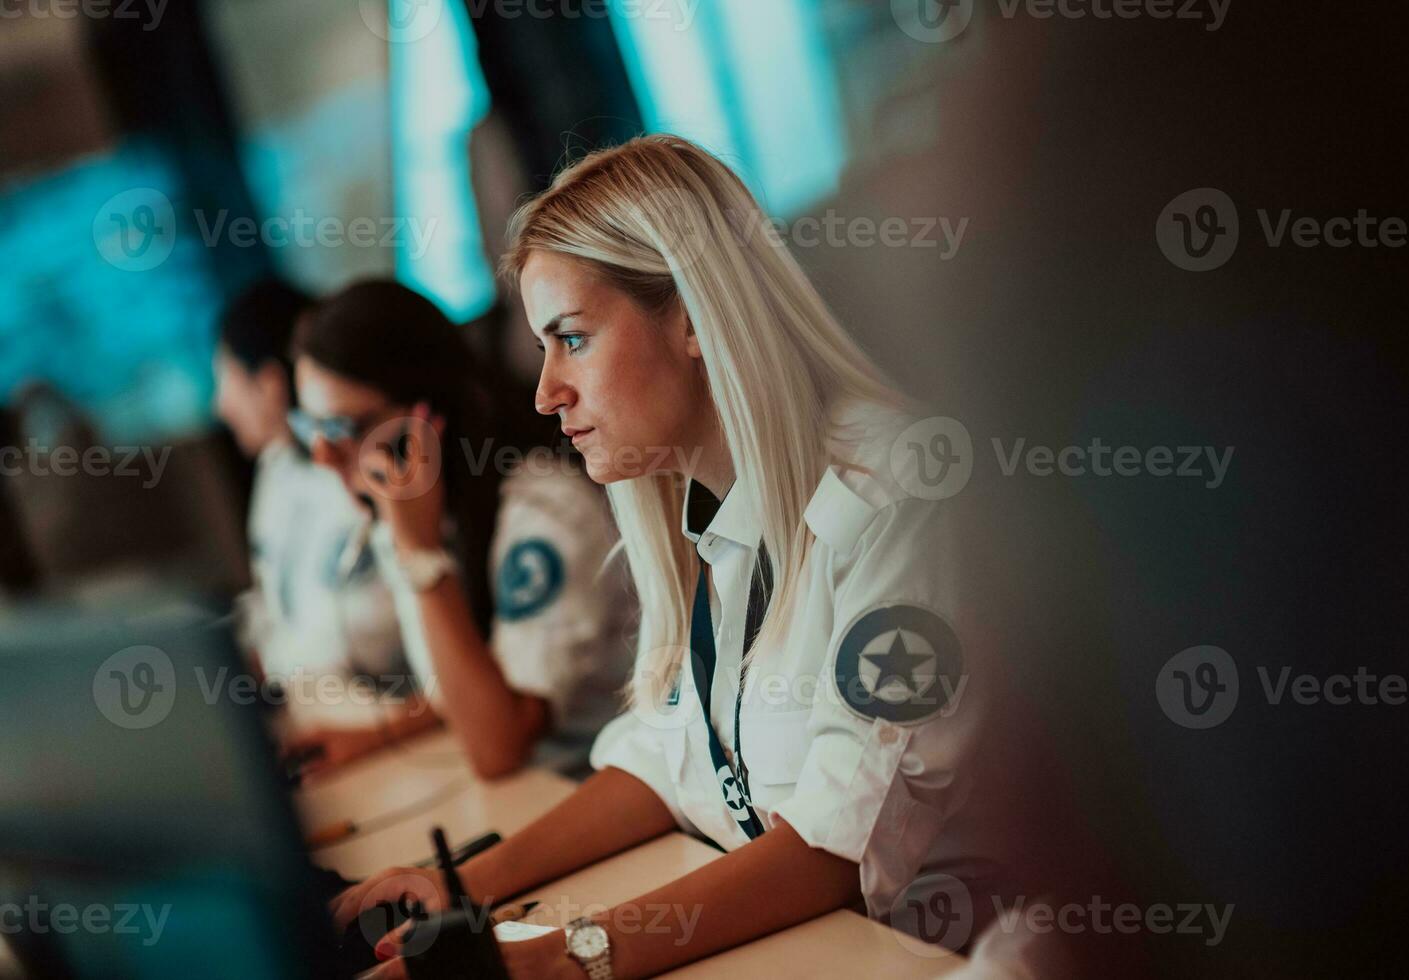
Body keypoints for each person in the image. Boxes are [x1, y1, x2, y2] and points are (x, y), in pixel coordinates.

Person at [336, 135, 983, 979]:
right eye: (542, 348)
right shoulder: (713, 506)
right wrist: (459, 888)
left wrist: (562, 961)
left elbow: (831, 847)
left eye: (571, 338)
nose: (545, 393)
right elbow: (665, 757)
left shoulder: (897, 499)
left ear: (690, 320)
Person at [283, 280, 636, 778]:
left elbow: (500, 744)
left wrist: (421, 559)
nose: (321, 455)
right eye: (310, 428)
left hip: (600, 788)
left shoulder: (542, 514)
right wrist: (379, 736)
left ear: (426, 416)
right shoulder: (419, 513)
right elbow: (469, 681)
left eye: (344, 427)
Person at [213, 277, 404, 694]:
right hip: (313, 701)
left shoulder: (362, 467)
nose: (220, 405)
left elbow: (377, 633)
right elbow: (274, 604)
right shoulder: (276, 467)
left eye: (225, 379)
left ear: (269, 383)